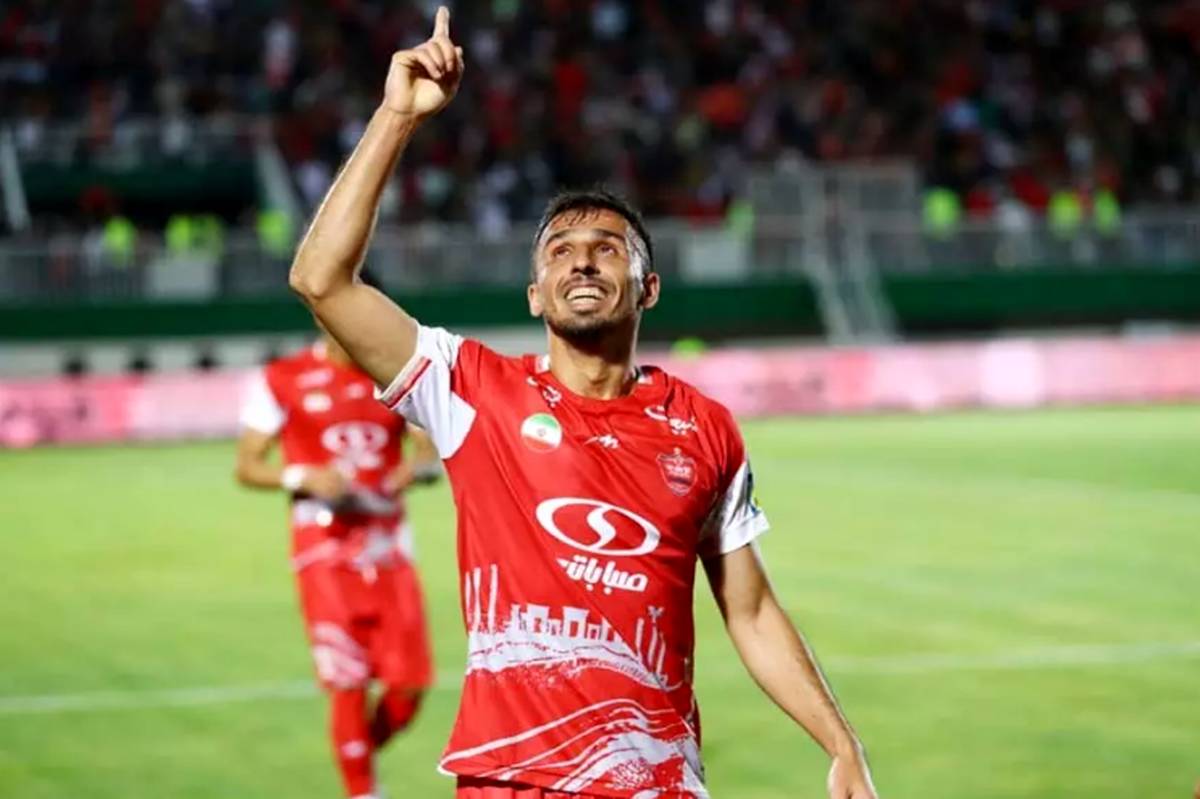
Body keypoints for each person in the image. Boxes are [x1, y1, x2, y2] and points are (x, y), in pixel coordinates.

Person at [288, 8, 878, 798]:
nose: (583, 262)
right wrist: (398, 116)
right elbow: (321, 280)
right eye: (559, 251)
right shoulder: (471, 391)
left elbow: (751, 609)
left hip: (657, 781)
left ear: (648, 287)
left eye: (608, 248)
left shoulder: (706, 430)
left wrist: (841, 742)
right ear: (536, 294)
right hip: (512, 778)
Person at [234, 312, 439, 799]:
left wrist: (416, 470)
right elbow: (246, 466)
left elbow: (428, 454)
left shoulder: (396, 374)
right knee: (347, 681)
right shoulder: (282, 377)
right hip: (322, 551)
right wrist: (300, 476)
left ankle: (355, 750)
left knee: (409, 689)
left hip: (389, 548)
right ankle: (362, 789)